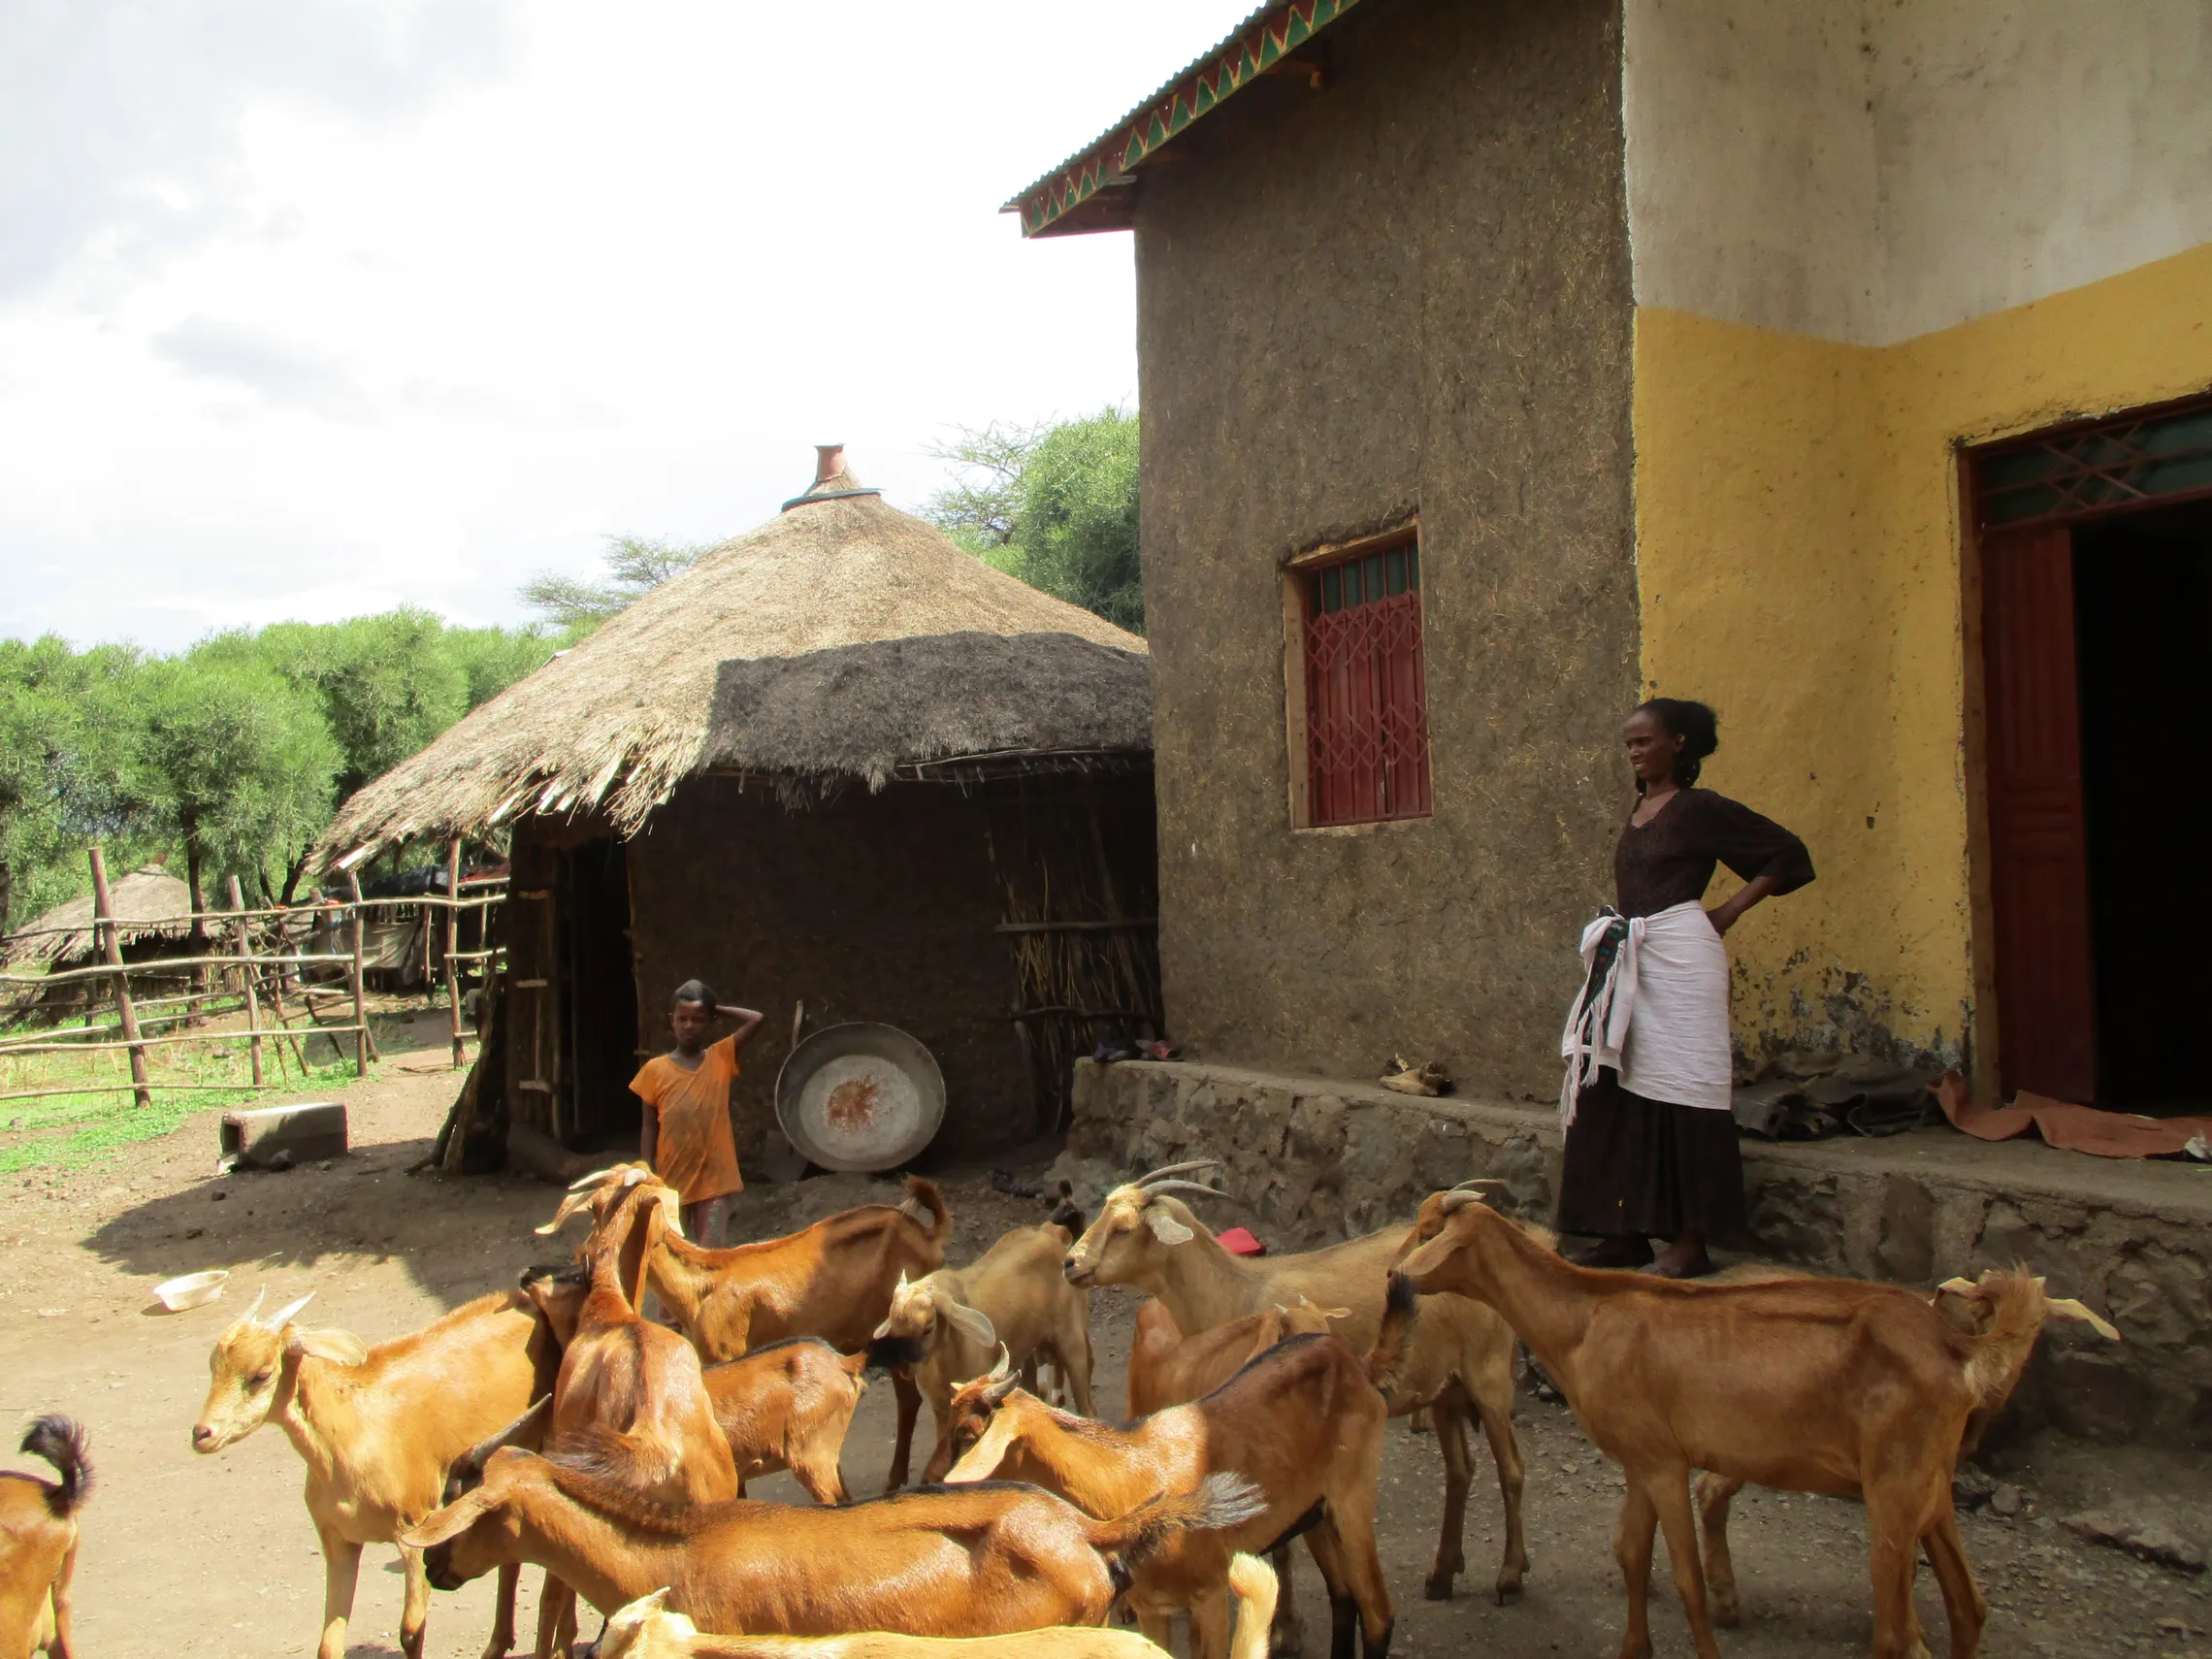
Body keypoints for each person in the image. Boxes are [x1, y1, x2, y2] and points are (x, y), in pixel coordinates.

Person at [1556, 698, 1813, 1279]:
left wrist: (1727, 912)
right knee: (1612, 1086)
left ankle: (1691, 1241)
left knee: (1688, 1091)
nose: (1635, 751)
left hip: (1683, 959)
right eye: (1629, 743)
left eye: (1645, 741)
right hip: (1631, 960)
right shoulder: (1641, 806)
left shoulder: (1700, 809)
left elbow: (1787, 854)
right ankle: (1623, 1234)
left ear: (1679, 743)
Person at [632, 979, 763, 1248]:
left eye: (698, 1019)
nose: (689, 1025)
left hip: (716, 1179)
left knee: (712, 1255)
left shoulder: (721, 1057)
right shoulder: (654, 1070)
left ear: (711, 1022)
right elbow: (648, 1127)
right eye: (682, 1018)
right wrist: (646, 1168)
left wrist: (718, 1009)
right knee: (669, 1252)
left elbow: (757, 1019)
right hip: (670, 1181)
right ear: (672, 1022)